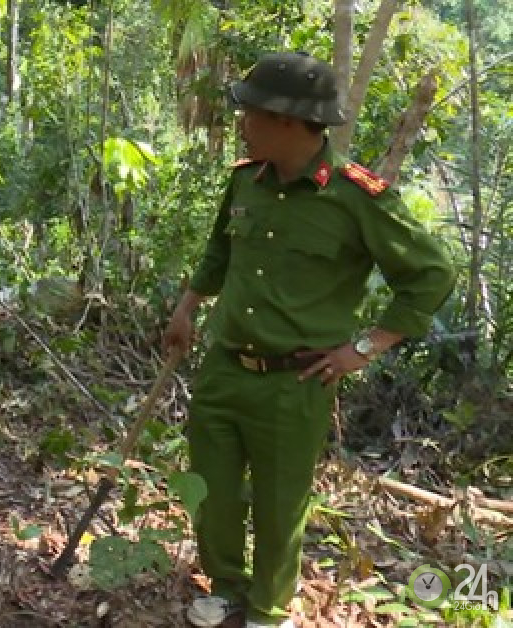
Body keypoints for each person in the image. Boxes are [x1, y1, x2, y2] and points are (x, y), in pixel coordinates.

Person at [163, 52, 455, 628]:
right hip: (224, 368)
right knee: (213, 496)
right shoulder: (246, 180)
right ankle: (225, 591)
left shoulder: (356, 197)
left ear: (290, 122)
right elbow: (219, 252)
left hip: (295, 383)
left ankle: (268, 613)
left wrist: (365, 348)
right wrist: (187, 308)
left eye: (251, 112)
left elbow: (432, 274)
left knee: (279, 507)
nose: (242, 122)